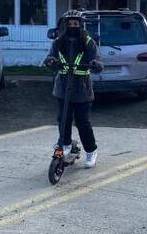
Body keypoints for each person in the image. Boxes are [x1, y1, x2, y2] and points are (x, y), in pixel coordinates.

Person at [44, 10, 103, 168]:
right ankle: (65, 145)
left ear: (81, 25)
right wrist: (50, 61)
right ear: (64, 25)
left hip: (81, 88)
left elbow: (97, 60)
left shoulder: (88, 42)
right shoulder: (58, 42)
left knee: (82, 122)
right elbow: (50, 57)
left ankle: (91, 151)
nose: (72, 26)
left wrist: (96, 65)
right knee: (63, 119)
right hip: (63, 86)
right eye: (69, 24)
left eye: (76, 24)